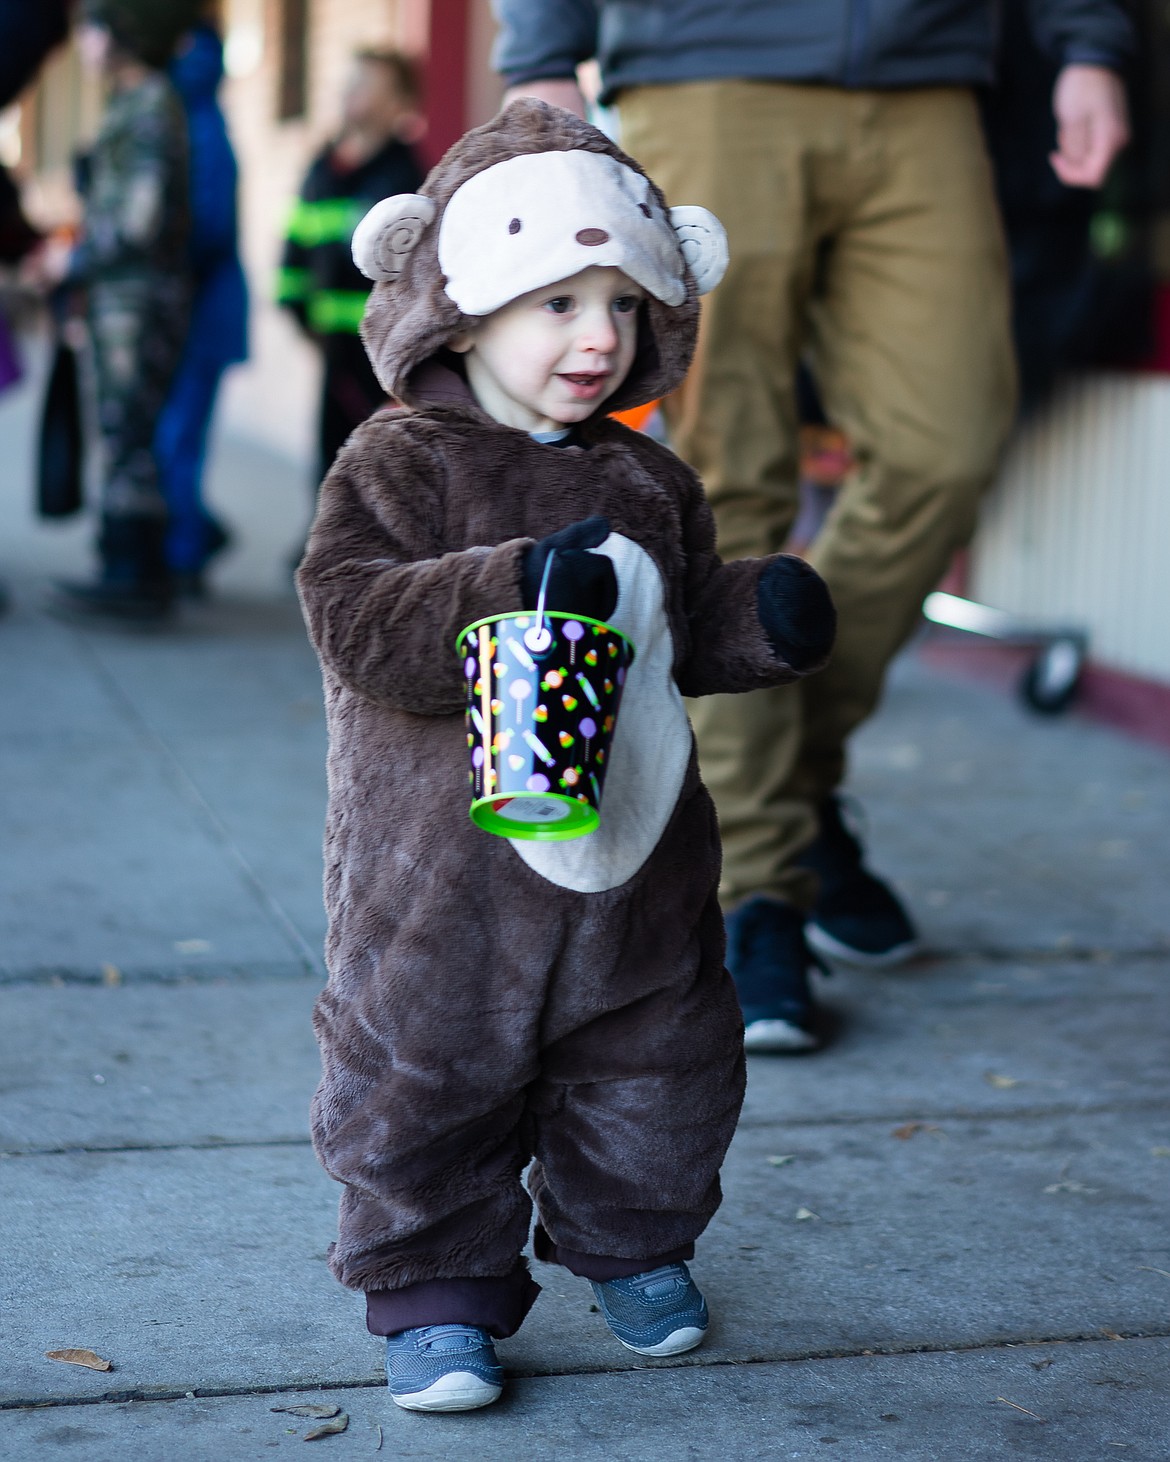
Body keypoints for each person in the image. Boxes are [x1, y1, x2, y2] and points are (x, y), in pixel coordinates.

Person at [296, 100, 836, 1413]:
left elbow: (684, 609)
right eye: (554, 304)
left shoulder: (649, 478)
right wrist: (504, 584)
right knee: (425, 1070)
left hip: (633, 856)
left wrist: (755, 616)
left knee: (661, 1061)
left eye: (619, 304)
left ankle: (634, 1236)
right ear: (464, 312)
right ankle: (435, 1289)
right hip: (444, 881)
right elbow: (355, 613)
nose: (597, 338)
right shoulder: (400, 460)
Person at [495, 0, 1133, 1050]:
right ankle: (756, 886)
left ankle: (779, 767)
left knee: (946, 449)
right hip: (705, 72)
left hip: (929, 86)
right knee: (725, 487)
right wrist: (541, 51)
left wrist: (1090, 40)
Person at [49, 0, 199, 623]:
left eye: (92, 28)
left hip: (137, 303)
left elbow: (140, 220)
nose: (83, 41)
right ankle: (133, 568)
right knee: (125, 434)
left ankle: (133, 573)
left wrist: (71, 262)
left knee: (128, 434)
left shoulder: (147, 108)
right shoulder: (136, 104)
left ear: (120, 37)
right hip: (124, 300)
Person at [277, 48, 424, 499]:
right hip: (331, 347)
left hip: (380, 355)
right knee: (329, 457)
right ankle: (324, 546)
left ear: (398, 104)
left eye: (365, 85)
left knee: (381, 462)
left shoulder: (405, 176)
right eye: (348, 82)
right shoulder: (322, 170)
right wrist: (297, 310)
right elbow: (295, 250)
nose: (349, 92)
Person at [153, 17, 248, 598]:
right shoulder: (195, 120)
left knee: (177, 438)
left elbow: (206, 230)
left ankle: (185, 551)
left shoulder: (198, 126)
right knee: (176, 437)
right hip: (200, 309)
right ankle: (191, 538)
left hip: (198, 311)